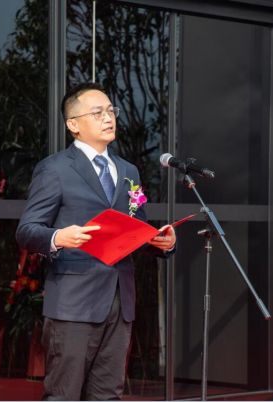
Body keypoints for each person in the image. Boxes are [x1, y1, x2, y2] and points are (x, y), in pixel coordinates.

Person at [16, 82, 176, 400]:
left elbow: (137, 226)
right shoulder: (55, 169)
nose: (108, 117)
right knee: (64, 394)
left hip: (120, 300)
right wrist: (58, 237)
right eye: (97, 112)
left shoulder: (128, 171)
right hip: (74, 302)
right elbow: (27, 230)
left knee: (108, 394)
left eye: (111, 111)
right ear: (73, 124)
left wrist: (160, 243)